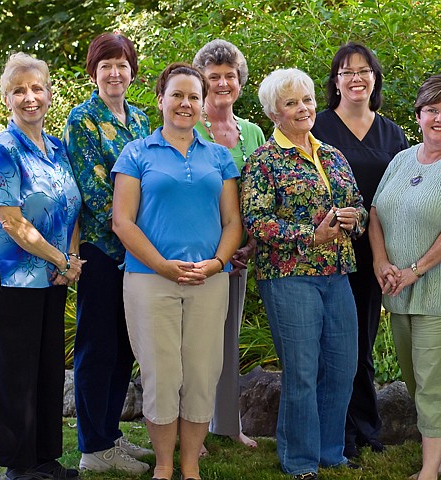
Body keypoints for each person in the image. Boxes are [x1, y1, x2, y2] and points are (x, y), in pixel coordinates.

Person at [111, 62, 242, 480]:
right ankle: (164, 468)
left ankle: (191, 469)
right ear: (160, 100)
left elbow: (233, 223)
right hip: (150, 281)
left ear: (203, 105)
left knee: (202, 376)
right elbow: (122, 222)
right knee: (162, 377)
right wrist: (164, 266)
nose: (185, 104)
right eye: (177, 95)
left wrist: (219, 262)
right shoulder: (136, 153)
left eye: (193, 97)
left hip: (208, 281)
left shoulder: (219, 157)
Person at [240, 68, 367, 480]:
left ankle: (330, 451)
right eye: (291, 103)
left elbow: (360, 205)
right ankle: (299, 460)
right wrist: (310, 236)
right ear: (274, 112)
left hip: (337, 272)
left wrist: (353, 218)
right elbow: (256, 221)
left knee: (343, 365)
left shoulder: (331, 155)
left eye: (307, 100)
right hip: (288, 276)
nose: (303, 108)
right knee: (302, 369)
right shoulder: (264, 160)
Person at [369, 75, 441, 480]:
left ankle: (429, 471)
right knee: (421, 382)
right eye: (432, 110)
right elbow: (375, 213)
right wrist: (382, 263)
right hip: (399, 290)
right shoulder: (402, 159)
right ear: (418, 115)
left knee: (436, 382)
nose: (440, 118)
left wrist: (413, 270)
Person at [0, 52, 84, 480]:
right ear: (6, 98)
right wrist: (62, 259)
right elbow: (13, 220)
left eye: (37, 88)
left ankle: (45, 457)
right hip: (12, 273)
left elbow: (70, 207)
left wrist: (71, 259)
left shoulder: (57, 148)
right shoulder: (1, 150)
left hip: (53, 272)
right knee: (16, 369)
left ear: (49, 94)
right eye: (19, 90)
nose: (29, 97)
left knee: (45, 366)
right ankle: (20, 466)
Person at [311, 41, 408, 459]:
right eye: (347, 71)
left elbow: (404, 194)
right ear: (335, 82)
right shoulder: (316, 127)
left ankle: (366, 428)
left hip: (373, 255)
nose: (356, 78)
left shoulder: (392, 133)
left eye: (364, 70)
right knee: (330, 345)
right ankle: (336, 432)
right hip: (327, 253)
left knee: (361, 344)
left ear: (375, 78)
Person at [63, 32, 152, 474]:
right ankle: (93, 447)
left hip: (135, 252)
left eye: (122, 64)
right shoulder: (81, 120)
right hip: (102, 250)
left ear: (132, 70)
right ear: (94, 72)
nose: (115, 73)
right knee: (97, 346)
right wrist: (138, 226)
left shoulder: (139, 120)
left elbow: (150, 179)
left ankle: (111, 434)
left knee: (124, 346)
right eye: (106, 66)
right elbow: (95, 192)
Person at [192, 38, 265, 450]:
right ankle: (193, 428)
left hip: (239, 255)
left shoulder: (252, 132)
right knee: (197, 342)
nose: (222, 83)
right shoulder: (188, 126)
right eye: (213, 76)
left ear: (240, 82)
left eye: (229, 76)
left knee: (228, 340)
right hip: (198, 253)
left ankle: (227, 423)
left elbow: (262, 194)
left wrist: (250, 243)